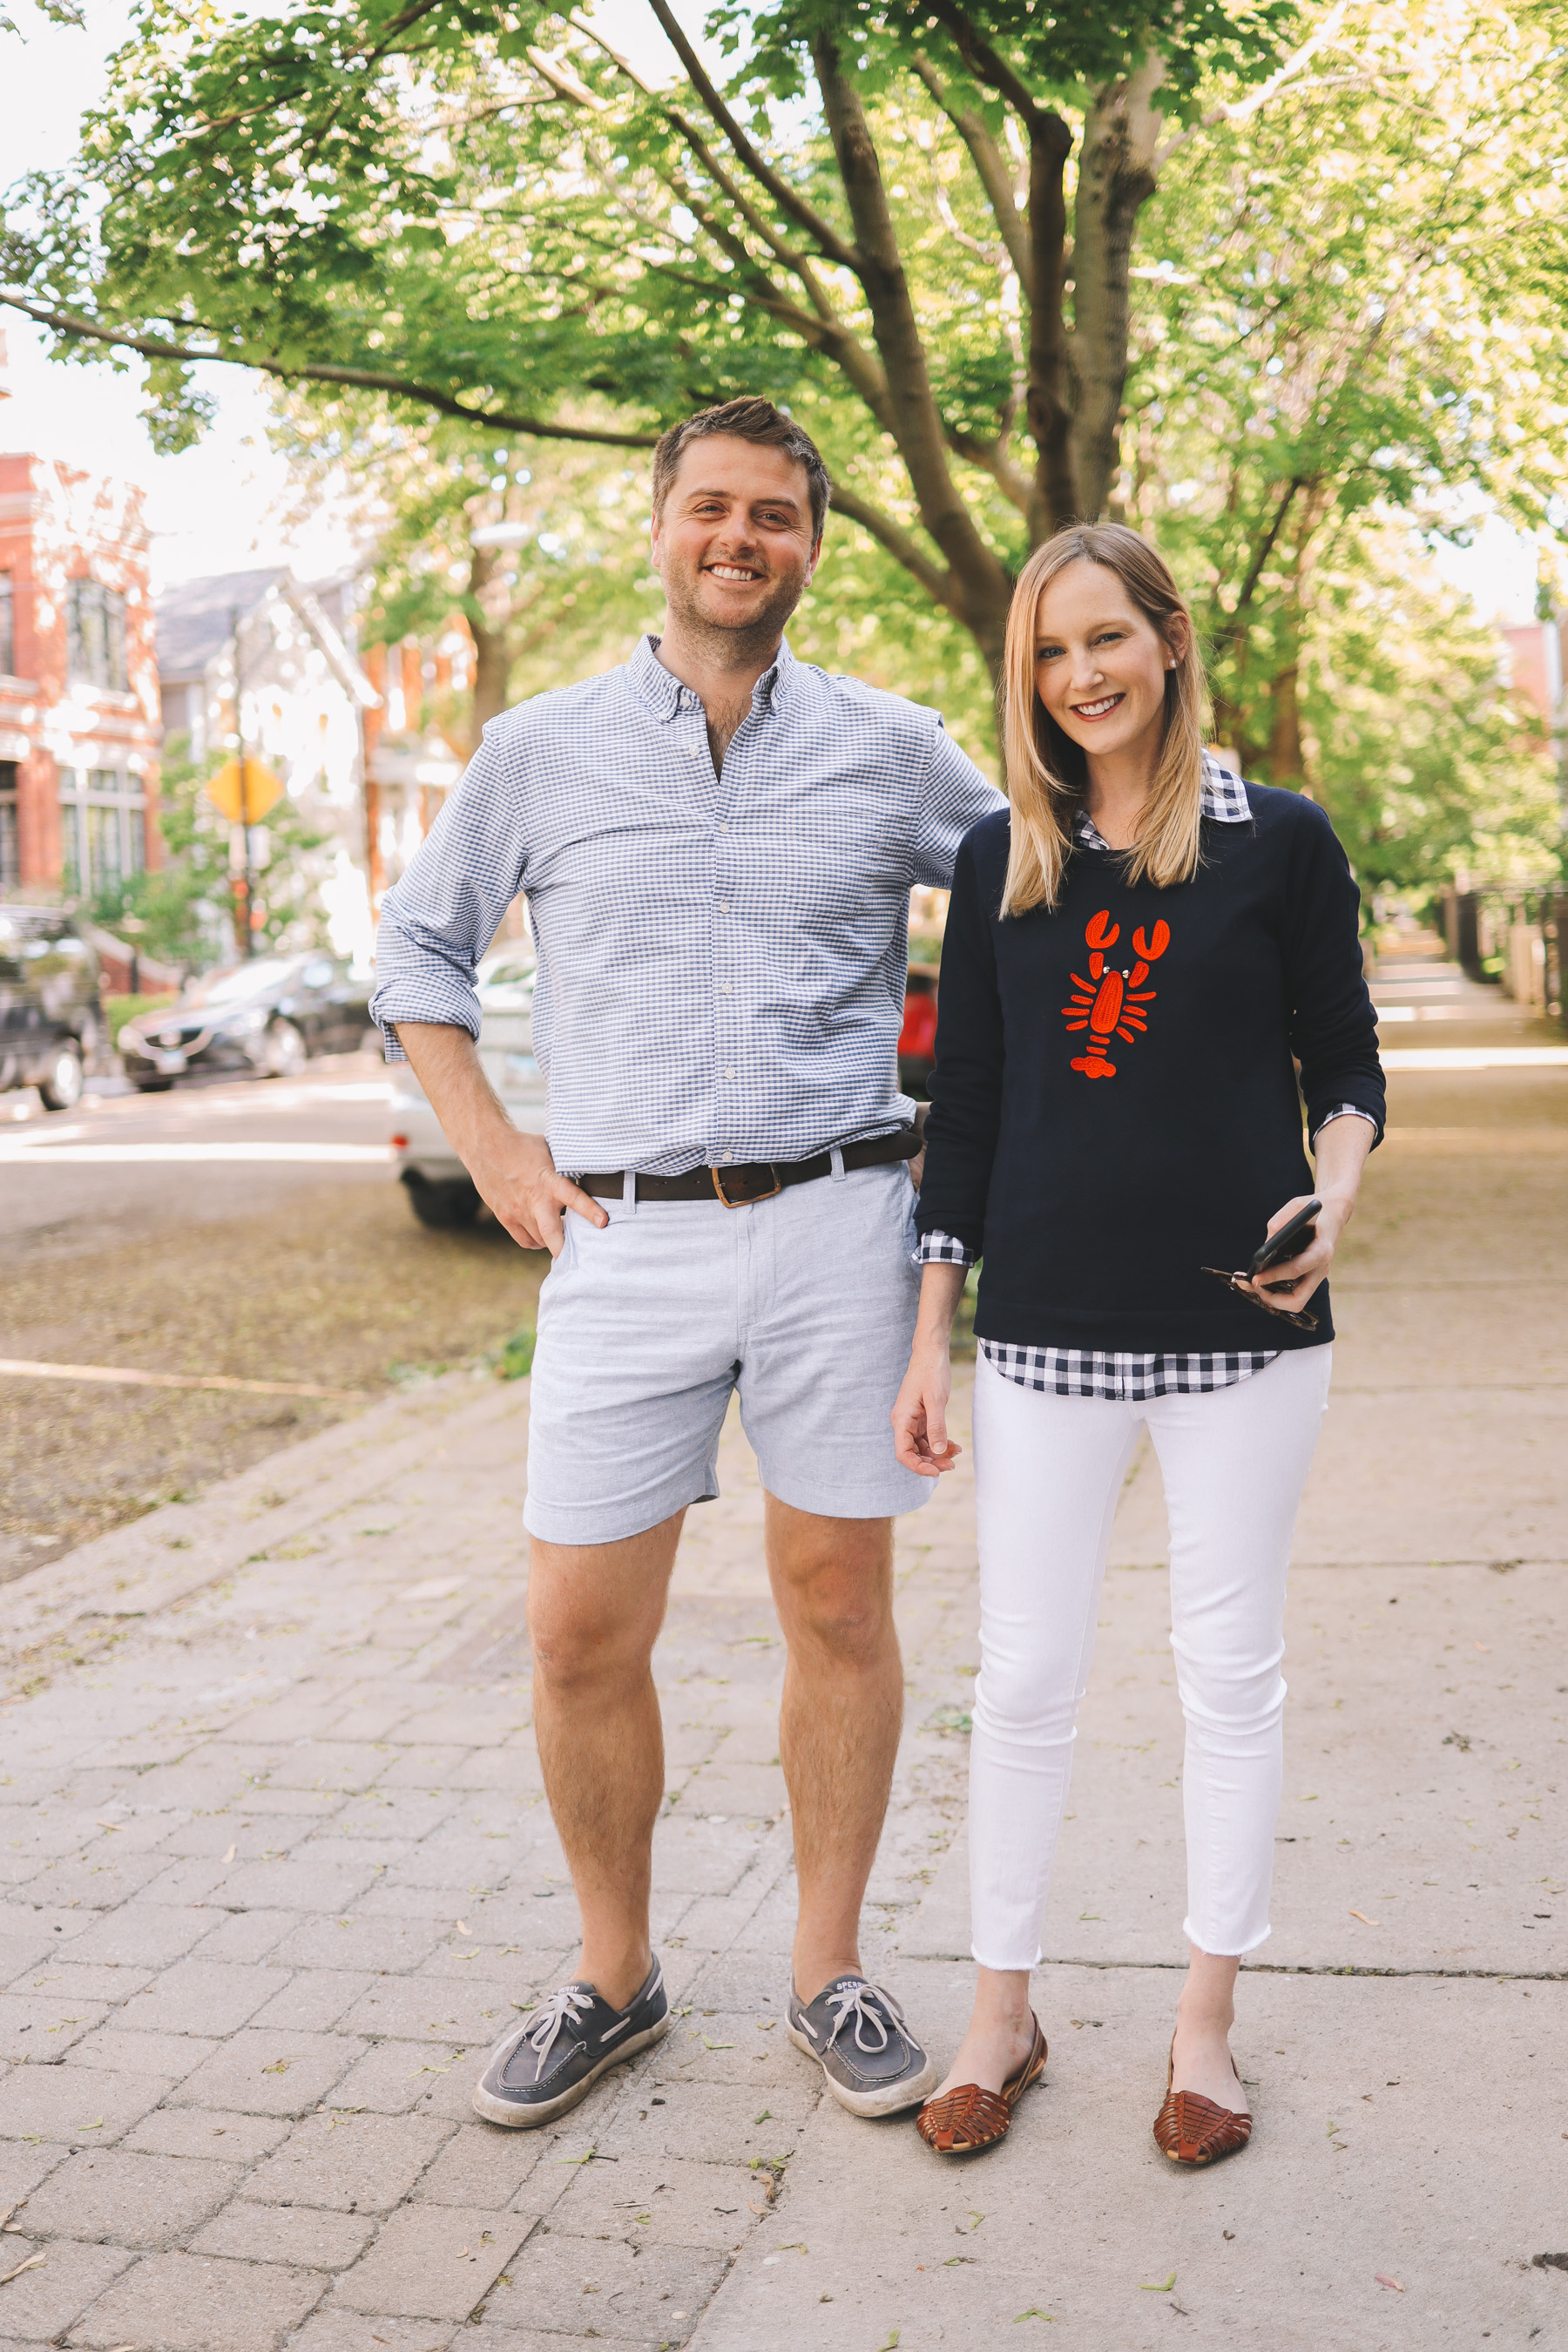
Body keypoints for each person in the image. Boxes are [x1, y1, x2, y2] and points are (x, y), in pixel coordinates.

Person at [370, 397, 1004, 2130]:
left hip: (840, 1229)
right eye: (711, 509)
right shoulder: (537, 750)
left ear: (813, 544)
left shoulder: (892, 748)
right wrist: (495, 1148)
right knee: (576, 1633)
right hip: (624, 1240)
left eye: (777, 516)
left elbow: (1055, 898)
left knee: (838, 1605)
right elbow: (418, 950)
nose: (742, 539)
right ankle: (614, 1971)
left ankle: (829, 1971)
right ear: (659, 529)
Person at [891, 522, 1383, 2166]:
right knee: (1023, 1680)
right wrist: (925, 1339)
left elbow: (1350, 1068)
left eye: (1106, 638)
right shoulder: (1000, 855)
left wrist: (1335, 1202)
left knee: (1226, 1676)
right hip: (1041, 1331)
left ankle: (1203, 2026)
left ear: (1168, 640)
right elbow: (962, 1108)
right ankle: (1000, 2014)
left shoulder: (1282, 842)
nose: (1080, 675)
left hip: (1248, 1331)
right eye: (1047, 651)